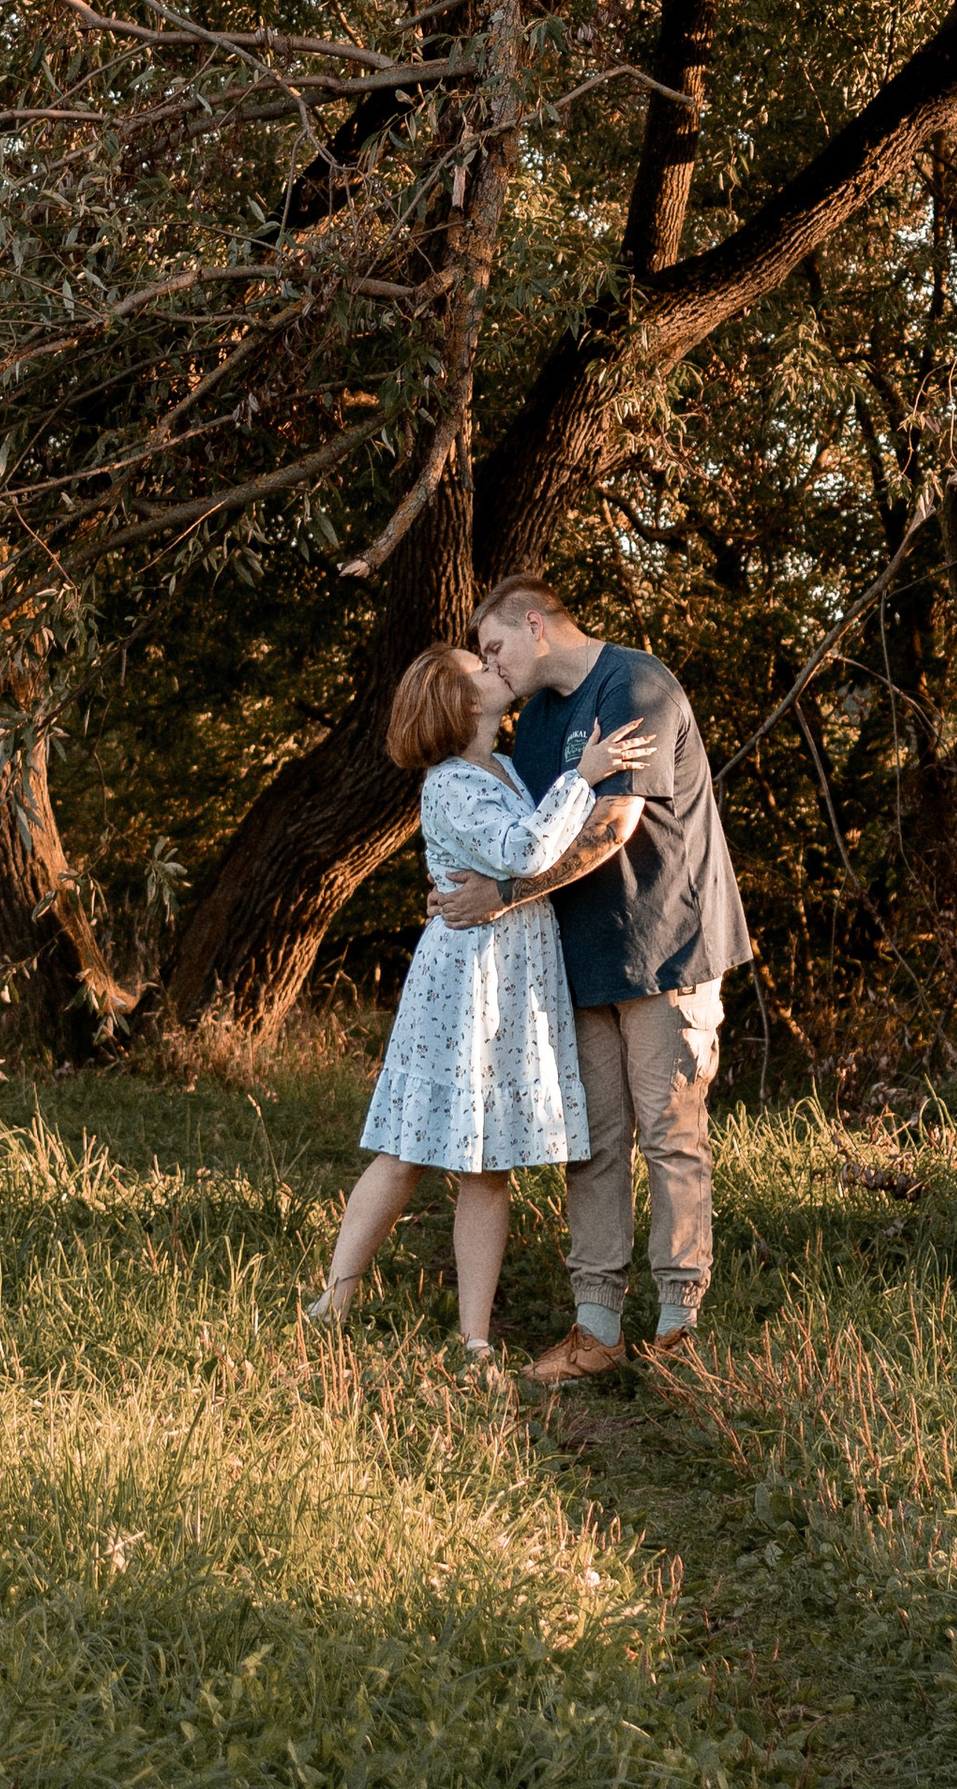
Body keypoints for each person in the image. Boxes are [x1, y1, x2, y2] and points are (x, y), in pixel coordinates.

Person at [431, 575, 751, 1388]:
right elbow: (518, 832)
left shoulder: (635, 685)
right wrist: (456, 881)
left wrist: (497, 898)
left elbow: (611, 827)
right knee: (594, 1143)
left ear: (535, 626)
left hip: (664, 949)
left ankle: (681, 1325)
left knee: (669, 1135)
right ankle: (596, 1327)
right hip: (580, 957)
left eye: (496, 648)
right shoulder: (534, 724)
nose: (491, 667)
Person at [308, 639, 654, 1365]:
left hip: (510, 978)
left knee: (484, 1163)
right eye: (480, 669)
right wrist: (583, 779)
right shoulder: (448, 784)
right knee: (407, 1148)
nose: (497, 669)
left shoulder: (499, 765)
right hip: (463, 985)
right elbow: (528, 852)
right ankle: (333, 1300)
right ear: (462, 704)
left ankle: (474, 1338)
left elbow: (532, 856)